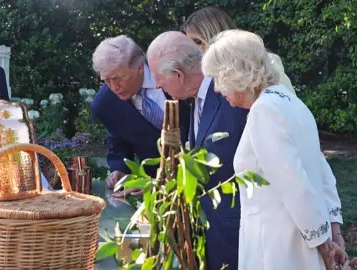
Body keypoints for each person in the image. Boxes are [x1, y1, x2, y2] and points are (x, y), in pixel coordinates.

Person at [201, 29, 345, 270]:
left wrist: (326, 247)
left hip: (275, 248)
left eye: (217, 78)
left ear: (233, 74)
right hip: (298, 243)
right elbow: (322, 173)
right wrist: (333, 230)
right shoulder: (293, 103)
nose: (216, 88)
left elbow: (294, 185)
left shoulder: (263, 111)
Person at [147, 31, 248, 270]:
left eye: (159, 77)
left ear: (179, 75)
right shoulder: (192, 100)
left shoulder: (230, 94)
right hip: (211, 231)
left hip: (236, 234)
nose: (158, 85)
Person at [91, 35, 190, 196]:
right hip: (157, 190)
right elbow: (118, 143)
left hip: (203, 172)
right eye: (106, 80)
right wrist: (119, 171)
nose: (113, 87)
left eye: (118, 78)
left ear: (139, 67)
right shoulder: (105, 103)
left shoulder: (173, 72)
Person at [181, 6, 295, 95]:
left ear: (215, 35)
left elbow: (287, 105)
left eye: (198, 41)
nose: (194, 50)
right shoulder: (205, 75)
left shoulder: (264, 62)